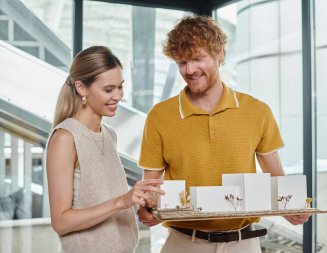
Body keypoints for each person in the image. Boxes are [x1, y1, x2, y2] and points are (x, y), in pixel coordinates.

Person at [137, 16, 310, 253]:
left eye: (198, 59)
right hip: (184, 244)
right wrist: (147, 208)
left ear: (219, 53)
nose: (190, 70)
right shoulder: (160, 116)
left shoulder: (257, 111)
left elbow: (276, 178)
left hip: (244, 244)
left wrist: (292, 209)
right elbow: (151, 187)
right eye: (182, 62)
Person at [46, 46, 164, 253]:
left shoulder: (109, 134)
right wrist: (122, 201)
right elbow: (61, 221)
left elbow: (99, 197)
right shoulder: (65, 138)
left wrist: (140, 202)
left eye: (120, 87)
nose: (118, 96)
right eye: (109, 89)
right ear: (82, 88)